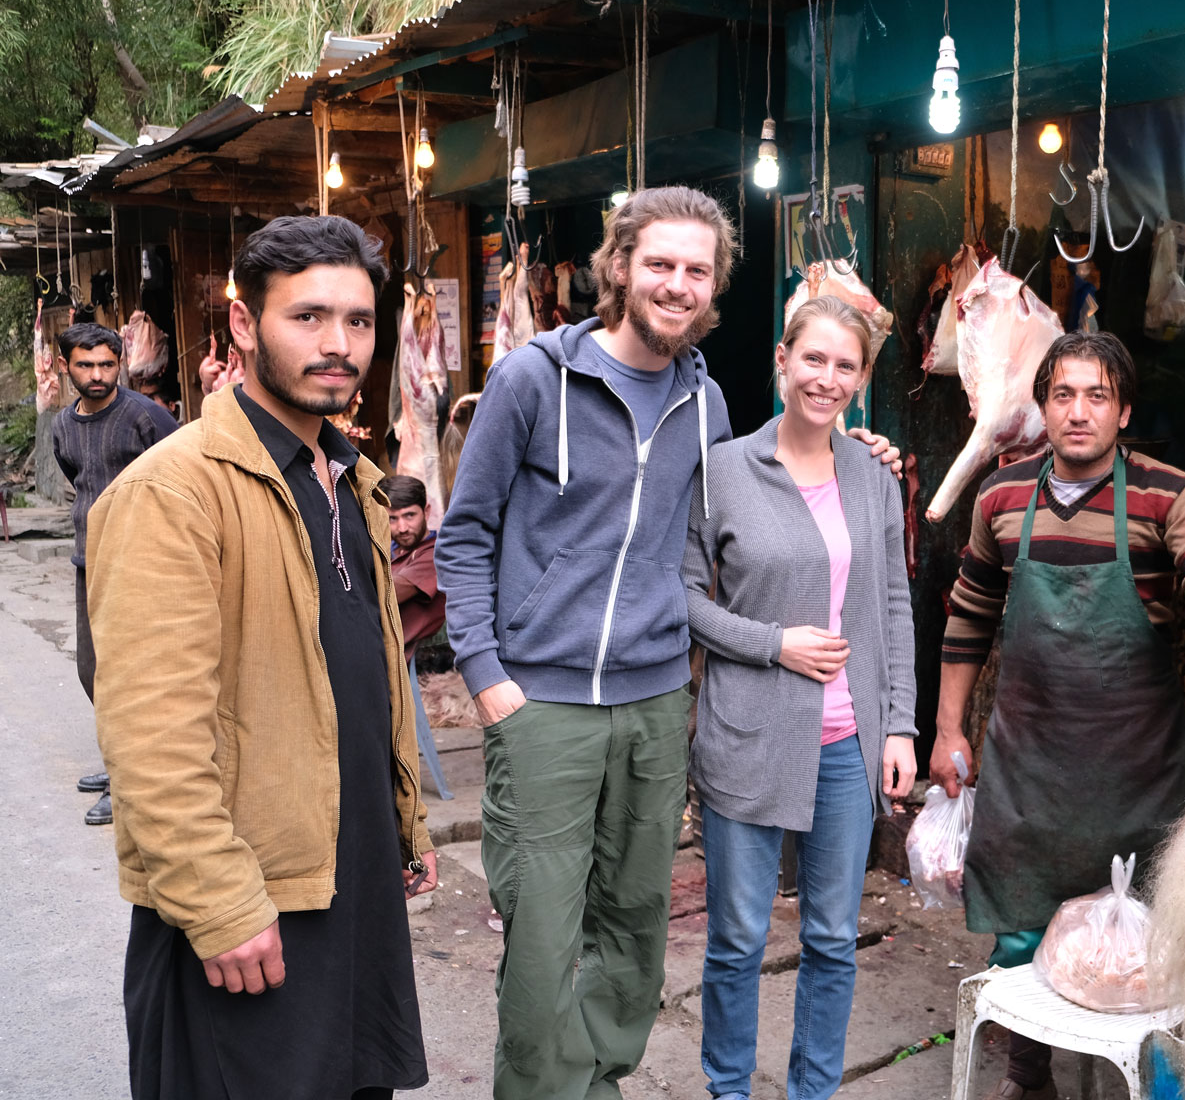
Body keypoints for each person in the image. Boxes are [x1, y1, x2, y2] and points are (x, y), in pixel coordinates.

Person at [437, 185, 897, 1100]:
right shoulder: (535, 378)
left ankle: (599, 1083)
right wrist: (486, 673)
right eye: (660, 264)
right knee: (540, 939)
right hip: (545, 701)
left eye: (697, 270)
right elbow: (464, 534)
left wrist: (863, 457)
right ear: (619, 267)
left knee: (636, 930)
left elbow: (753, 516)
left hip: (654, 703)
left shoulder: (707, 407)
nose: (677, 285)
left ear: (715, 287)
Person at [86, 215, 437, 1100]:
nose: (339, 345)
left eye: (358, 321)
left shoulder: (348, 477)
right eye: (308, 317)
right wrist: (217, 902)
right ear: (243, 325)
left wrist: (404, 819)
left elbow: (362, 674)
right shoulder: (174, 492)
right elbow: (151, 735)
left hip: (346, 883)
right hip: (249, 911)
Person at [930, 331, 1185, 1100]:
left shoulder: (1169, 494)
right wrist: (947, 728)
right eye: (1063, 394)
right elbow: (968, 618)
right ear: (1042, 407)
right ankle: (1030, 1079)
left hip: (1138, 774)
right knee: (1020, 938)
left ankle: (1151, 1086)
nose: (1078, 411)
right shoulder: (1001, 497)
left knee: (1150, 955)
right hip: (1026, 772)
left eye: (1097, 395)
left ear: (1124, 409)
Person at [682, 295, 916, 1100]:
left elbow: (893, 604)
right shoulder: (722, 470)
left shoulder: (873, 477)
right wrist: (772, 643)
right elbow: (682, 598)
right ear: (782, 362)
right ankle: (728, 1090)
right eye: (812, 359)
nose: (826, 377)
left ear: (860, 379)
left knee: (831, 939)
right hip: (748, 734)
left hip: (849, 746)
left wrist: (900, 726)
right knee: (739, 936)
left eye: (844, 364)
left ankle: (813, 1089)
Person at [50, 321, 179, 826]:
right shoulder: (63, 424)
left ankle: (133, 783)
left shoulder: (146, 417)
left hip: (143, 563)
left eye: (107, 364)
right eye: (86, 365)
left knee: (136, 675)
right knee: (94, 671)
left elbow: (183, 474)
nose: (98, 374)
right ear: (66, 367)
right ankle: (120, 761)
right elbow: (77, 477)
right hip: (91, 562)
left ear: (119, 362)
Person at [386, 473, 445, 660]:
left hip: (427, 667)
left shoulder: (437, 552)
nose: (402, 527)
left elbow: (386, 592)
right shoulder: (390, 550)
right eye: (392, 519)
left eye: (409, 515)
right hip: (387, 660)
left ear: (426, 512)